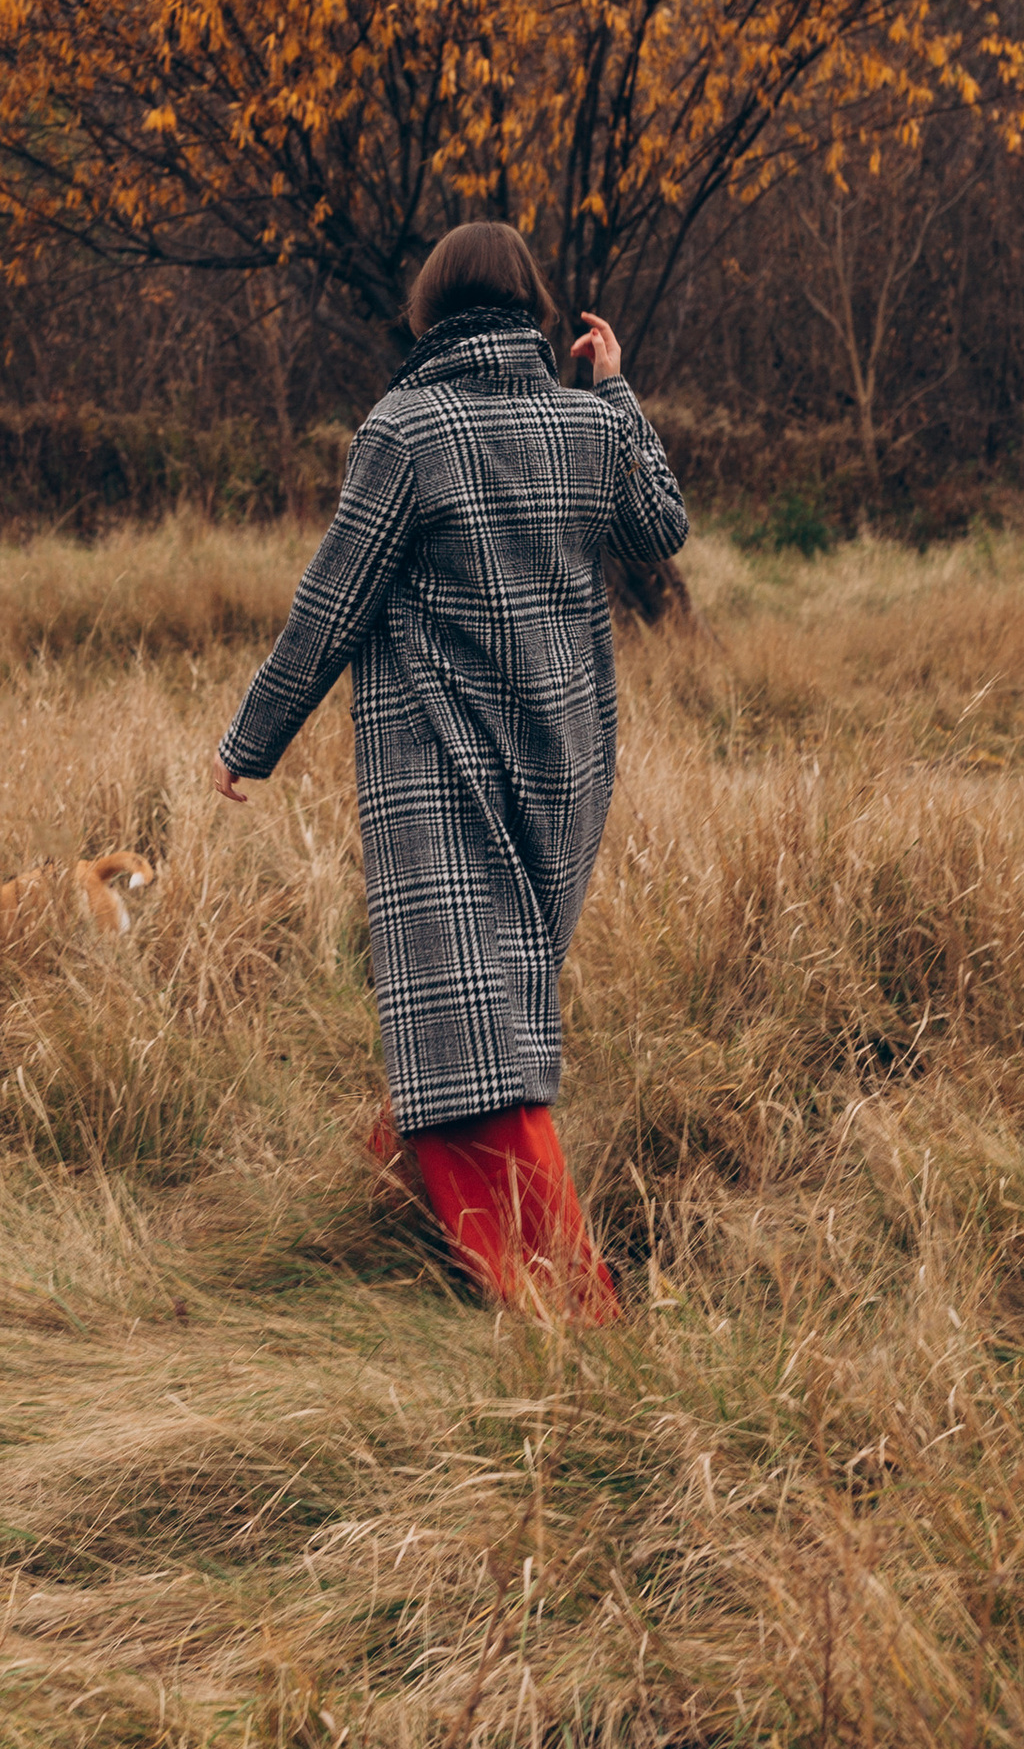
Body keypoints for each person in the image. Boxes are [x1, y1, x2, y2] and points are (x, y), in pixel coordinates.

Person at [210, 221, 689, 1319]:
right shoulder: (582, 425)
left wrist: (252, 739)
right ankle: (400, 1214)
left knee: (480, 1035)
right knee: (480, 1013)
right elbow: (663, 526)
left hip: (443, 768)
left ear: (427, 317)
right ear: (534, 313)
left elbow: (335, 601)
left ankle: (575, 1309)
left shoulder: (407, 428)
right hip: (567, 762)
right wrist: (615, 393)